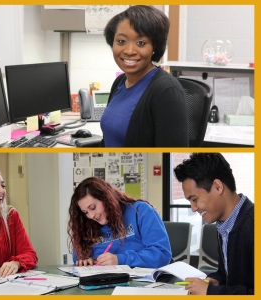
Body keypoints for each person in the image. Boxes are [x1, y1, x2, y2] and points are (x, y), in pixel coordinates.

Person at [100, 5, 188, 147]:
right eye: (121, 41)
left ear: (154, 47)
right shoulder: (120, 82)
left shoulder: (166, 91)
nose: (129, 51)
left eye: (141, 43)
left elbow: (174, 158)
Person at [173, 153, 253, 295]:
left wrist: (212, 292)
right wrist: (216, 281)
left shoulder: (253, 226)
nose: (193, 208)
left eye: (195, 199)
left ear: (217, 187)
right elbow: (229, 276)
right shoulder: (224, 225)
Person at [68, 177, 171, 268]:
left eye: (93, 207)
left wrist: (120, 260)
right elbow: (78, 258)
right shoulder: (87, 225)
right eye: (85, 212)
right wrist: (85, 262)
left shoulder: (140, 211)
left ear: (106, 198)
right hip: (101, 283)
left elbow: (161, 254)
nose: (91, 216)